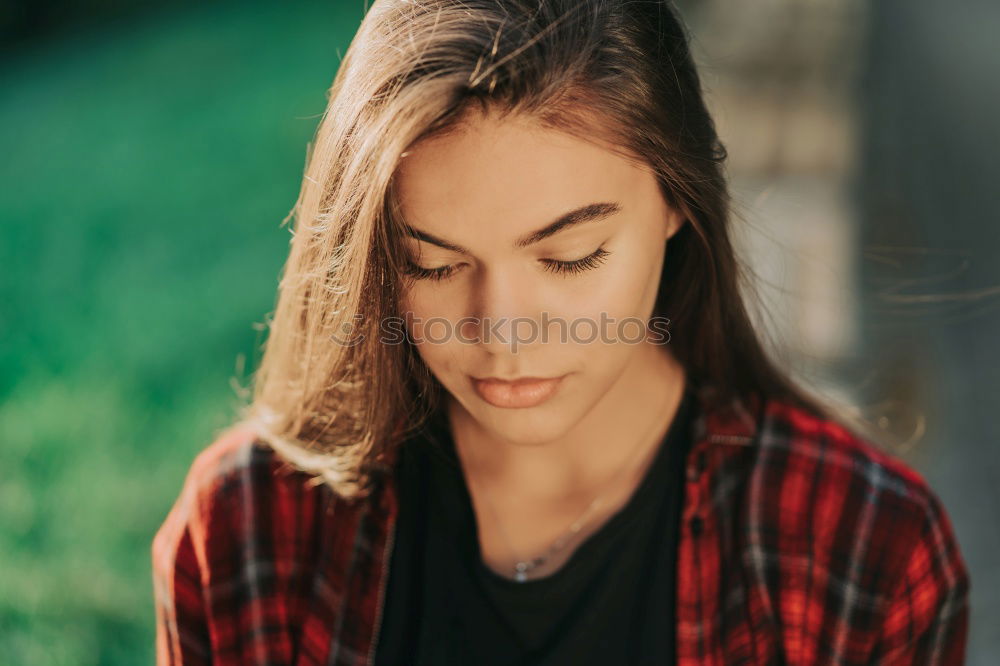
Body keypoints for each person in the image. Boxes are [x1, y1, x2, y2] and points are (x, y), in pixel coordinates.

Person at [151, 1, 971, 664]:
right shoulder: (247, 529)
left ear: (679, 201)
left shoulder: (864, 547)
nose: (501, 333)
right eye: (431, 264)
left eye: (572, 256)